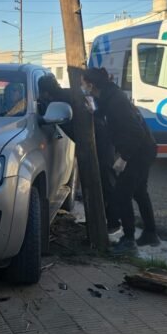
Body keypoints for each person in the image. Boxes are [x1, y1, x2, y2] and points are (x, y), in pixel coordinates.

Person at [82, 67, 160, 252]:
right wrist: (94, 113)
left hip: (138, 151)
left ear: (91, 85)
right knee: (140, 192)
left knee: (121, 195)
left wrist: (124, 158)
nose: (82, 87)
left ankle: (129, 240)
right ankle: (150, 233)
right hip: (144, 149)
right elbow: (106, 114)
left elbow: (136, 132)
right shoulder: (109, 95)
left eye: (83, 83)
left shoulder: (116, 102)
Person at [37, 74, 122, 233]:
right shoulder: (66, 96)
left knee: (105, 182)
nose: (39, 96)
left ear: (45, 92)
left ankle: (114, 222)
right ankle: (99, 222)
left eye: (40, 92)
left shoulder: (61, 99)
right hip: (95, 141)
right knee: (93, 183)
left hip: (100, 141)